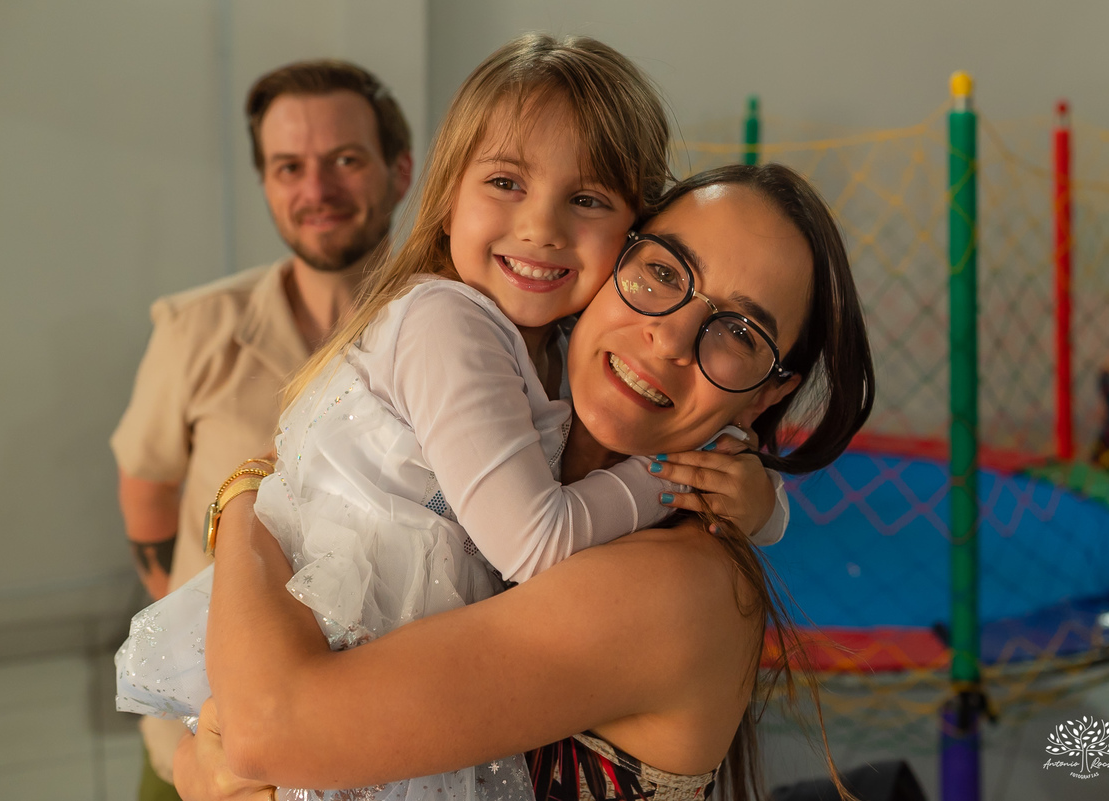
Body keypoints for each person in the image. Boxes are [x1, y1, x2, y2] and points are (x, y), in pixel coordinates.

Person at [117, 34, 785, 801]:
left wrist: (760, 502)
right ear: (445, 198)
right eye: (505, 181)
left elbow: (726, 455)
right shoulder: (449, 322)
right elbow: (536, 540)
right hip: (342, 634)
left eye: (588, 199)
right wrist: (665, 480)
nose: (541, 227)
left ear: (630, 233)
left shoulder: (563, 348)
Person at [174, 163, 876, 801]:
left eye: (740, 331)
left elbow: (267, 725)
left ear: (761, 398)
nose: (670, 338)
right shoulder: (502, 446)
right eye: (663, 272)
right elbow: (207, 753)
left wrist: (245, 493)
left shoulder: (678, 586)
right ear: (609, 260)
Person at [111, 59, 412, 798]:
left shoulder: (455, 338)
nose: (316, 191)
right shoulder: (195, 330)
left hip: (383, 729)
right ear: (268, 183)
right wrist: (209, 618)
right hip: (201, 740)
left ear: (400, 171)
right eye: (288, 167)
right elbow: (147, 492)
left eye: (346, 159)